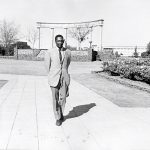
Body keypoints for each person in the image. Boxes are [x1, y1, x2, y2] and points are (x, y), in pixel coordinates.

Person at [45, 34, 71, 126]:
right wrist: (52, 75)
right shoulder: (49, 52)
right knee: (55, 99)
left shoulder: (68, 52)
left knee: (63, 98)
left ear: (63, 41)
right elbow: (47, 67)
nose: (60, 42)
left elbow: (67, 64)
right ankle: (58, 118)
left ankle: (61, 113)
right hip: (54, 78)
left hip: (64, 77)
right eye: (58, 41)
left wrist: (64, 72)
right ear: (55, 41)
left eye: (61, 40)